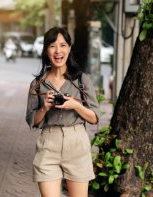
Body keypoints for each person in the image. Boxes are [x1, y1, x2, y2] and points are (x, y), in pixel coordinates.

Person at [26, 27, 101, 197]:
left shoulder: (82, 80)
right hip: (48, 143)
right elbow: (33, 121)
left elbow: (95, 118)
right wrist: (44, 107)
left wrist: (76, 105)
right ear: (46, 50)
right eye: (52, 46)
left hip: (76, 143)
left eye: (63, 45)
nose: (58, 51)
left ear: (69, 48)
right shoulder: (38, 84)